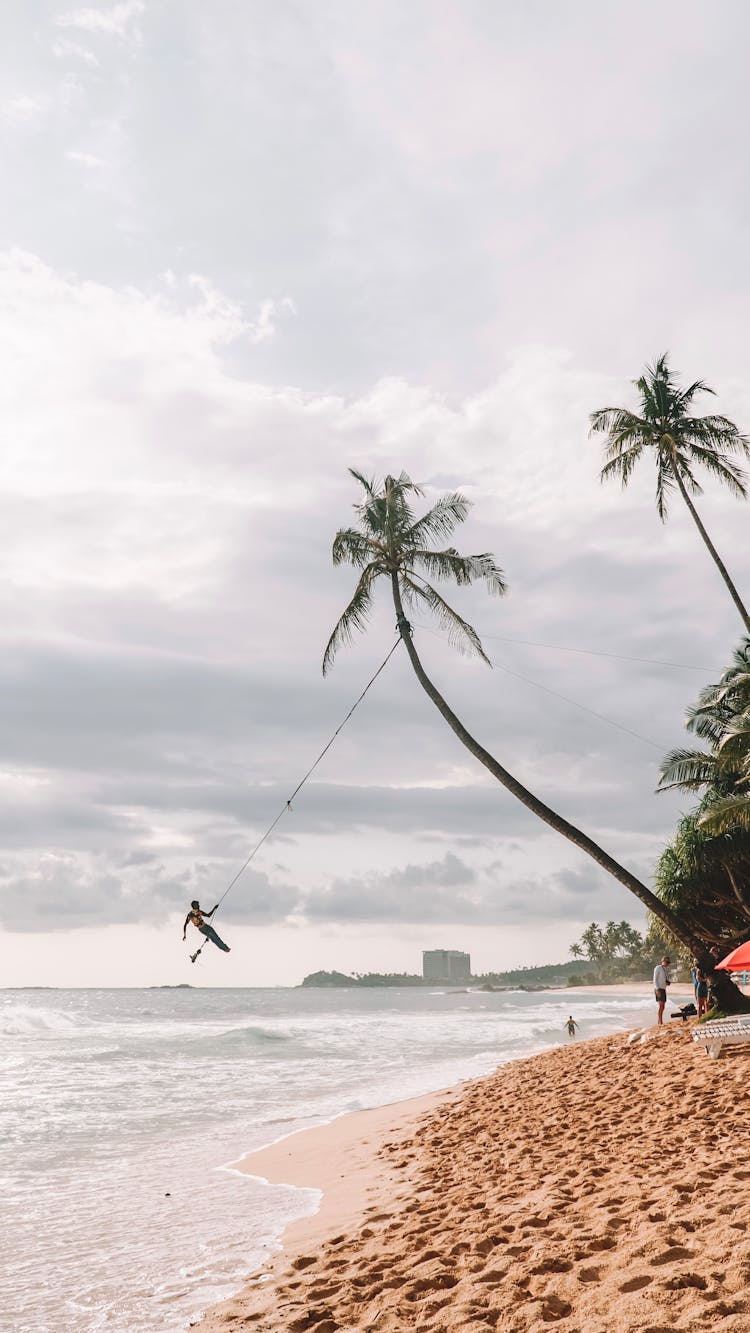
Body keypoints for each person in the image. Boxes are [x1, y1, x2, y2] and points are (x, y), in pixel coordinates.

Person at [653, 955, 671, 1025]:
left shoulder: (664, 969)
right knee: (661, 1006)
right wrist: (657, 989)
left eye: (668, 962)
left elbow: (663, 979)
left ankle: (659, 1021)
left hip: (663, 988)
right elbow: (655, 979)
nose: (667, 964)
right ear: (663, 961)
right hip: (659, 988)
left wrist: (667, 982)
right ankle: (660, 1022)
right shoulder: (658, 968)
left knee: (663, 1006)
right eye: (667, 962)